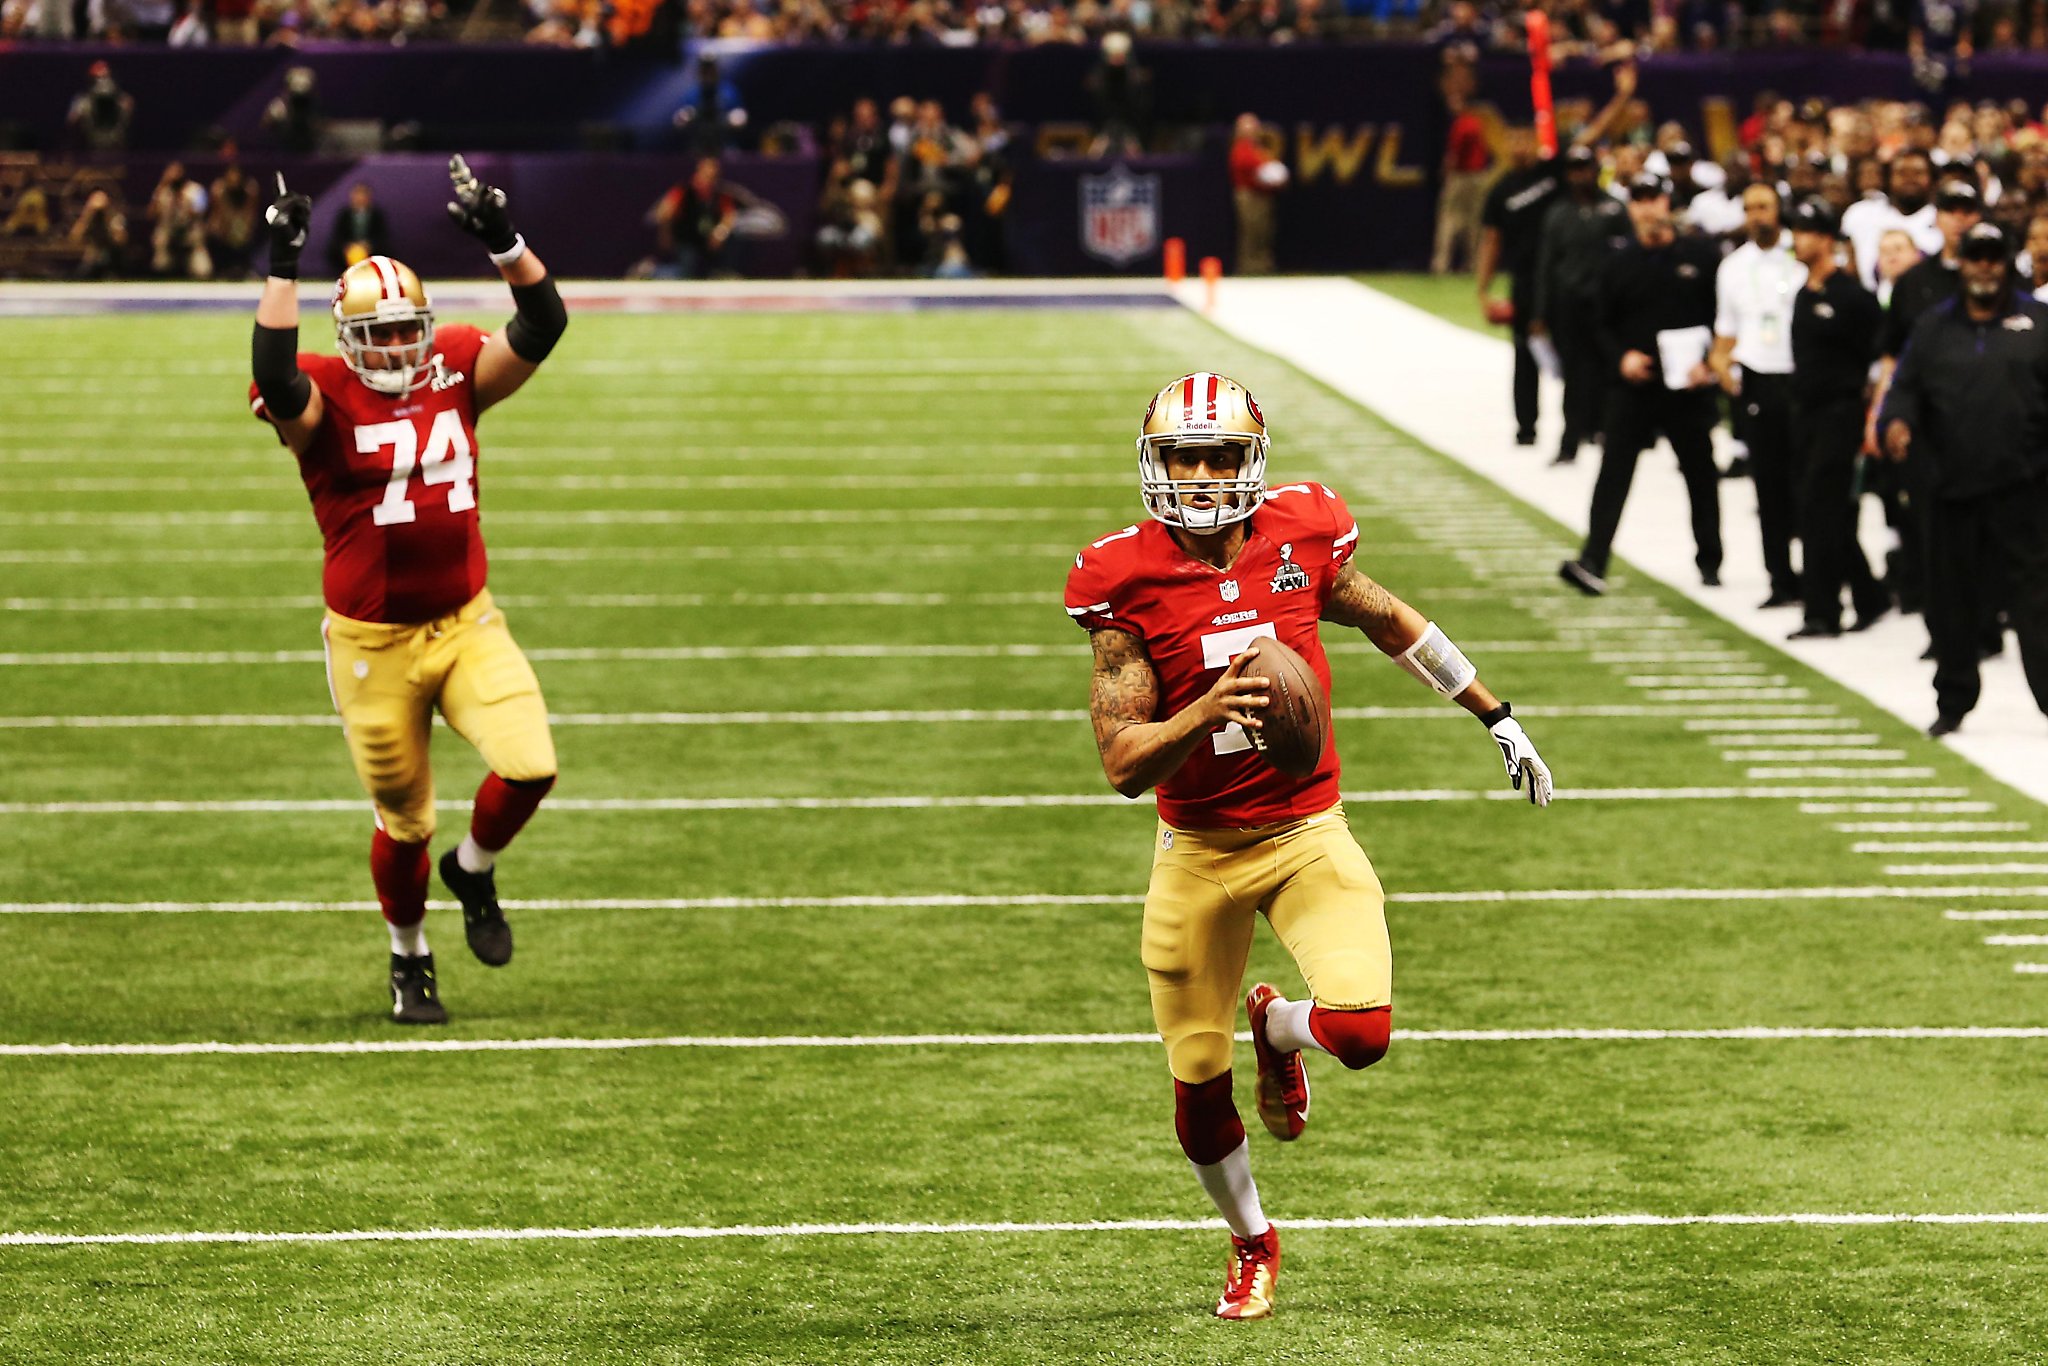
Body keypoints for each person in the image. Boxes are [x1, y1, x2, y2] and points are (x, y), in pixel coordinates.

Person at [1066, 372, 1552, 1321]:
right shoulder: (1121, 577)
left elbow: (1382, 615)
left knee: (1363, 1033)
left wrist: (1496, 714)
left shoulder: (1304, 530)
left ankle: (1279, 1026)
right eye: (1183, 456)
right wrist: (1202, 712)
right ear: (1153, 462)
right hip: (1198, 847)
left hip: (1303, 829)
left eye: (1219, 455)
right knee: (1199, 1091)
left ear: (1254, 461)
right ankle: (1253, 1241)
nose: (1202, 476)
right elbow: (1122, 763)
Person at [247, 157, 569, 1023]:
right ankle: (409, 957)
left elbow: (542, 325)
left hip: (467, 621)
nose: (395, 346)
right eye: (378, 334)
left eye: (406, 330)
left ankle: (476, 869)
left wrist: (505, 240)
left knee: (532, 763)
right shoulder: (325, 393)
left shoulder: (455, 366)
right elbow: (279, 380)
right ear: (349, 337)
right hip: (372, 646)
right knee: (405, 825)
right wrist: (283, 262)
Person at [1882, 221, 2048, 737]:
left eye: (1993, 256)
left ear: (2007, 262)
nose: (1984, 266)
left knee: (2039, 604)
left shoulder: (2040, 323)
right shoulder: (1933, 327)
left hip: (2026, 488)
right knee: (1951, 603)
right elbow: (1904, 387)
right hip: (1951, 488)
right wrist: (1896, 422)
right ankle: (1953, 701)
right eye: (1975, 255)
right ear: (1962, 262)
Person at [1560, 175, 1724, 596]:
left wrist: (1708, 362)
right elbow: (1599, 321)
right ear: (1629, 207)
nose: (1647, 207)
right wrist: (1622, 358)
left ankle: (1711, 560)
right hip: (1634, 387)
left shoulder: (1701, 256)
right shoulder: (1617, 260)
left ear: (1667, 202)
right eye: (1638, 200)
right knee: (1613, 472)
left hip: (1687, 388)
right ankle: (1593, 558)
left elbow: (1722, 318)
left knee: (1700, 472)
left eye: (1653, 198)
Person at [1785, 198, 1890, 639]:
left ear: (1827, 239)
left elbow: (1881, 356)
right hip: (1806, 413)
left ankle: (1821, 612)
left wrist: (1872, 416)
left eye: (1807, 231)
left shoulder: (1854, 298)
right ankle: (1868, 594)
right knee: (1822, 512)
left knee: (1819, 509)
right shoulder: (1802, 294)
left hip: (1841, 412)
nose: (1797, 238)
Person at [1709, 181, 1807, 607]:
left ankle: (1822, 577)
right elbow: (1724, 334)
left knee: (1807, 485)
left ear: (1779, 209)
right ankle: (1780, 579)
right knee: (1767, 486)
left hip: (1802, 381)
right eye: (1750, 208)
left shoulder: (1803, 256)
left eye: (1764, 206)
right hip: (1757, 381)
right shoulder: (1731, 267)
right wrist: (1720, 365)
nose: (1757, 215)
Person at [1533, 145, 1631, 467]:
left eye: (1585, 168)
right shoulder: (1558, 213)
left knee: (1611, 372)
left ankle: (1609, 436)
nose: (1581, 175)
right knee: (1573, 375)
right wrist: (1540, 312)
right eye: (1574, 169)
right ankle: (1570, 441)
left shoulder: (1615, 209)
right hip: (1570, 305)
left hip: (1608, 306)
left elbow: (1628, 258)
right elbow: (1546, 264)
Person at [1477, 126, 1561, 446]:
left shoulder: (1553, 172)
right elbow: (1491, 240)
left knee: (1577, 351)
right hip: (1524, 281)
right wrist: (1483, 289)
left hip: (1561, 276)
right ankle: (1526, 426)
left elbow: (1590, 138)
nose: (1520, 147)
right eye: (1513, 140)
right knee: (1525, 354)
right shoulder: (1501, 191)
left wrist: (1621, 98)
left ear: (1536, 142)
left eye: (1525, 140)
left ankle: (1583, 425)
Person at [1842, 148, 1941, 288]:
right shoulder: (1861, 214)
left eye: (1918, 173)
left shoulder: (1944, 219)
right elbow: (1849, 270)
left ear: (1932, 179)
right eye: (1902, 173)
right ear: (1888, 178)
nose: (1910, 179)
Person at [655, 157, 738, 279]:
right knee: (686, 269)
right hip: (687, 239)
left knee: (733, 245)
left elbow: (729, 216)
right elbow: (664, 212)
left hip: (709, 239)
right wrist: (665, 233)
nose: (710, 177)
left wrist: (720, 233)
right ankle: (654, 273)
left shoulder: (719, 193)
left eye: (713, 175)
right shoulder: (684, 190)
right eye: (707, 173)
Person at [1229, 114, 1283, 277]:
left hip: (1261, 194)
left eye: (1253, 127)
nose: (1251, 131)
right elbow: (1251, 166)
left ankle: (1262, 263)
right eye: (1247, 128)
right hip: (1248, 195)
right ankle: (1248, 266)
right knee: (1251, 231)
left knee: (1263, 230)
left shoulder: (1257, 146)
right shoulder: (1241, 148)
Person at [65, 61, 133, 152]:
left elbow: (130, 125)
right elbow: (71, 125)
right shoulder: (82, 101)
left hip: (116, 149)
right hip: (91, 149)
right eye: (98, 78)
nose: (102, 82)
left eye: (105, 77)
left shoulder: (125, 100)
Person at [327, 182, 391, 275]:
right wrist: (348, 246)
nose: (359, 198)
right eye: (357, 194)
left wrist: (368, 245)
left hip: (370, 249)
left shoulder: (376, 215)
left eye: (362, 194)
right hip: (349, 249)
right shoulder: (344, 215)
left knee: (383, 250)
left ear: (368, 197)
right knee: (336, 251)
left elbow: (382, 235)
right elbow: (338, 236)